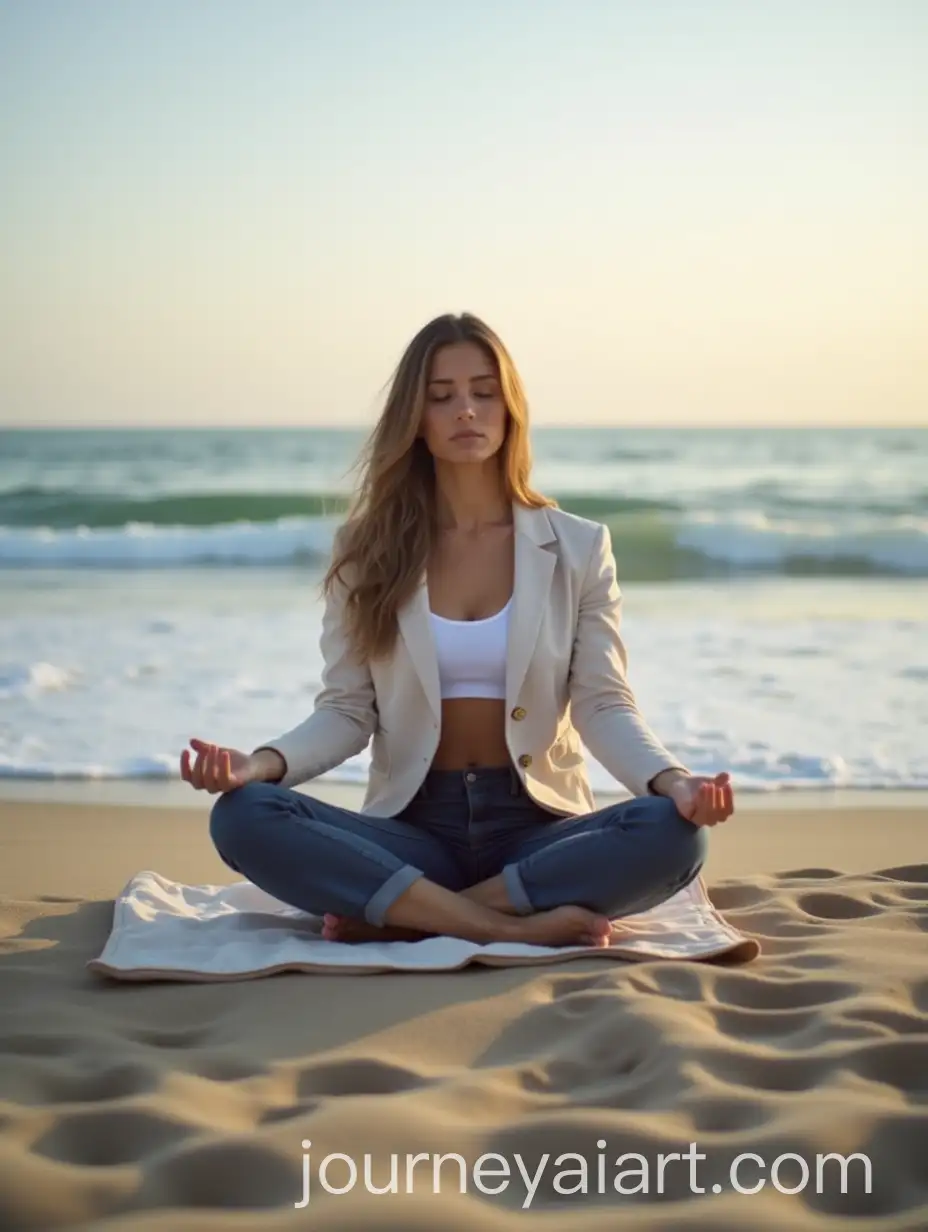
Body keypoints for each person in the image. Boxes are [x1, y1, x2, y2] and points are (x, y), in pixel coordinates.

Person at [180, 312, 734, 949]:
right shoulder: (368, 551)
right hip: (415, 831)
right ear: (415, 419)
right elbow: (346, 711)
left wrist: (675, 782)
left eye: (483, 391)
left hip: (539, 830)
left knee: (674, 834)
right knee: (244, 817)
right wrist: (261, 764)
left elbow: (602, 704)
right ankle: (502, 925)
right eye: (441, 397)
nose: (465, 410)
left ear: (510, 407)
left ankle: (412, 914)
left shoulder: (579, 546)